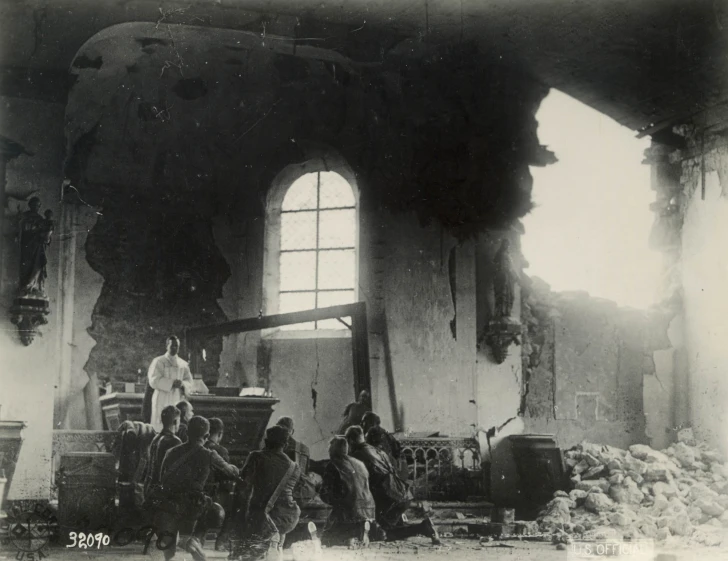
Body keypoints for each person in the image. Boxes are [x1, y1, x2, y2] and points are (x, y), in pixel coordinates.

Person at [149, 416, 240, 561]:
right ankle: (194, 540)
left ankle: (180, 546)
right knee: (217, 511)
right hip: (192, 507)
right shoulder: (209, 454)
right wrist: (234, 468)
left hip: (167, 505)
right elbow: (232, 472)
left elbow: (162, 479)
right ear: (207, 436)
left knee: (169, 553)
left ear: (186, 433)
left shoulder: (170, 452)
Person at [345, 426, 440, 544]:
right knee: (384, 527)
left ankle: (424, 528)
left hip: (390, 498)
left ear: (351, 440)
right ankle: (421, 527)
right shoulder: (379, 451)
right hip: (401, 493)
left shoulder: (357, 455)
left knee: (381, 534)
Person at [229, 426, 301, 561]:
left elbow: (243, 487)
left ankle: (268, 543)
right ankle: (276, 543)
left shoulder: (256, 456)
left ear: (266, 441)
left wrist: (238, 515)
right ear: (285, 444)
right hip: (287, 516)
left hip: (261, 517)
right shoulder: (294, 466)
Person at [319, 436, 376, 547]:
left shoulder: (333, 464)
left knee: (326, 540)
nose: (329, 451)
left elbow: (326, 494)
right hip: (368, 511)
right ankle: (355, 538)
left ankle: (346, 541)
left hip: (348, 512)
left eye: (330, 448)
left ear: (333, 450)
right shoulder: (359, 464)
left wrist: (319, 490)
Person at [148, 336, 193, 432]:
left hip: (177, 397)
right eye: (172, 346)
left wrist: (182, 384)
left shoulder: (183, 364)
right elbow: (153, 380)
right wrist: (171, 383)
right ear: (167, 346)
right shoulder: (159, 361)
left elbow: (189, 382)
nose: (174, 348)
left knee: (176, 423)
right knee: (160, 426)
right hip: (162, 397)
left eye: (177, 346)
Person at [145, 406, 182, 496]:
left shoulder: (155, 438)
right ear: (176, 421)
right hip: (162, 491)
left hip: (149, 487)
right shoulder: (175, 441)